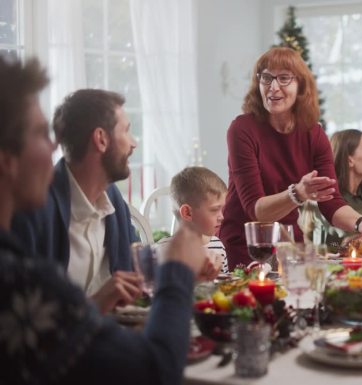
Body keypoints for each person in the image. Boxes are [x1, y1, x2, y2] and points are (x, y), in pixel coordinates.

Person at [0, 56, 207, 385]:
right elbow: (154, 371)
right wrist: (177, 273)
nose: (55, 145)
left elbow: (128, 292)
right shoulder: (22, 262)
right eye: (40, 134)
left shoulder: (113, 202)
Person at [218, 47, 362, 269]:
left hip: (287, 246)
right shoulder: (242, 129)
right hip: (247, 248)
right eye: (266, 77)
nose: (273, 87)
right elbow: (256, 210)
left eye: (284, 78)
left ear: (301, 86)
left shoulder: (314, 135)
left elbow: (332, 202)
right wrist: (297, 193)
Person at [12, 88, 141, 314]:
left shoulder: (113, 200)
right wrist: (95, 304)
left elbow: (138, 264)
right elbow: (21, 321)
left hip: (113, 338)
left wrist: (183, 269)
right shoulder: (33, 211)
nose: (134, 143)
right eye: (127, 131)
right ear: (101, 139)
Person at [157, 166, 228, 277]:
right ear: (187, 213)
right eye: (214, 210)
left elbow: (225, 287)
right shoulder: (164, 250)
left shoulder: (217, 245)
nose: (222, 217)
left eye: (222, 209)